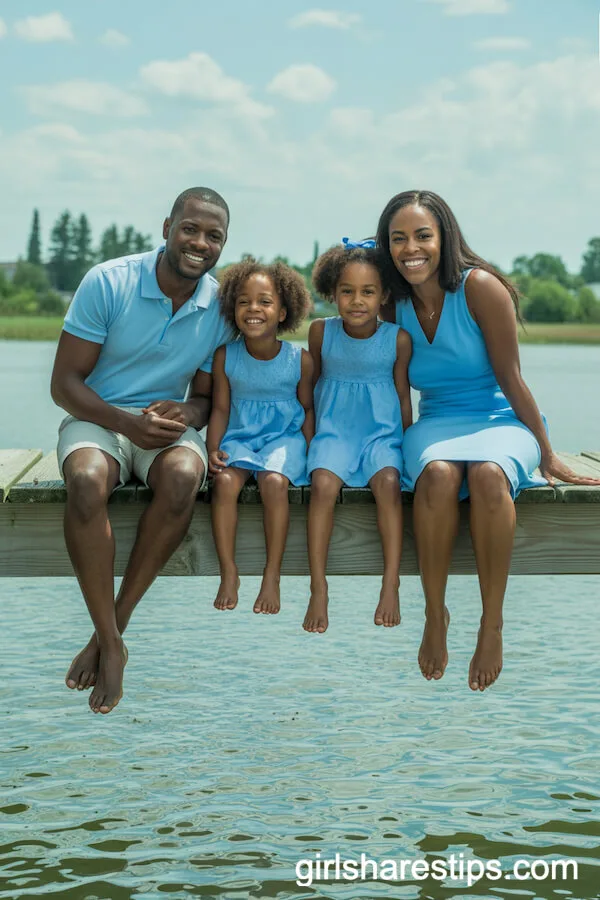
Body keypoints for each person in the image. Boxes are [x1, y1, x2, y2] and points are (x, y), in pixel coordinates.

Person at [376, 189, 600, 691]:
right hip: (436, 421)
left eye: (422, 236)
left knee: (488, 474)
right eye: (398, 239)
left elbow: (513, 379)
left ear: (444, 238)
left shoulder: (481, 288)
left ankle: (491, 622)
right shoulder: (392, 303)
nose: (411, 248)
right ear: (386, 246)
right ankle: (435, 614)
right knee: (435, 475)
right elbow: (390, 389)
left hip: (499, 418)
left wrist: (546, 453)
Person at [51, 186, 234, 715]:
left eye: (214, 235)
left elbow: (203, 398)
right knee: (85, 481)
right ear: (167, 229)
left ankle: (111, 634)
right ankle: (112, 645)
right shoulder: (108, 282)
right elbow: (65, 384)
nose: (200, 242)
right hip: (98, 419)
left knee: (181, 477)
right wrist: (125, 423)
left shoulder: (219, 305)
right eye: (190, 229)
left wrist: (188, 415)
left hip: (160, 430)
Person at [303, 240, 412, 635]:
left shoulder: (397, 339)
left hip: (381, 434)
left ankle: (391, 583)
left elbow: (402, 396)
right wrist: (310, 439)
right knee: (322, 485)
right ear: (332, 292)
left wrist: (407, 445)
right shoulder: (320, 333)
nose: (357, 301)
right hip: (334, 431)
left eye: (368, 292)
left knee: (387, 482)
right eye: (347, 291)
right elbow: (310, 391)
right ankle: (318, 587)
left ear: (383, 295)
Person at [207, 258, 314, 615]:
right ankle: (229, 571)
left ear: (284, 312)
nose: (253, 309)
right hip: (240, 438)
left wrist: (313, 453)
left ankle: (272, 574)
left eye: (265, 302)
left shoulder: (300, 359)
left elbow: (308, 411)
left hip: (285, 439)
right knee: (223, 483)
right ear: (232, 309)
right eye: (243, 301)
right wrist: (212, 448)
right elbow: (220, 409)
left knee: (272, 481)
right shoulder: (226, 356)